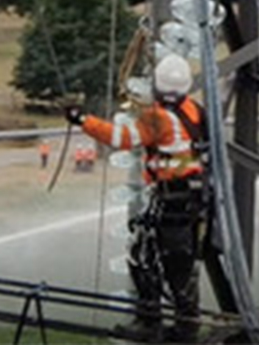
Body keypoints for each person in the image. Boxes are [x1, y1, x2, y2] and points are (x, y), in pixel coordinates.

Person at [66, 54, 208, 343]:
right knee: (178, 263)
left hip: (172, 200)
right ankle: (183, 327)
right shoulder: (194, 111)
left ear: (157, 84)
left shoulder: (157, 116)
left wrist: (83, 120)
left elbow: (122, 138)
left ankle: (154, 323)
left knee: (143, 259)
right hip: (191, 199)